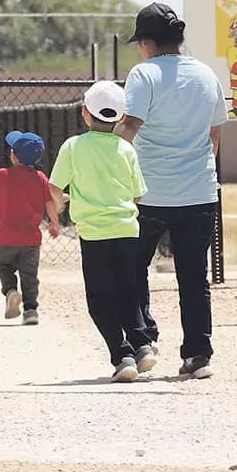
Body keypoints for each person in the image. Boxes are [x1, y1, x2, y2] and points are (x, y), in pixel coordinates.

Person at [115, 2, 228, 380]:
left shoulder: (143, 74)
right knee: (194, 276)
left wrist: (111, 168)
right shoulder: (206, 74)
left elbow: (130, 125)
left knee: (133, 269)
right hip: (199, 191)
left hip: (149, 191)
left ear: (146, 43)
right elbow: (214, 135)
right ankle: (198, 355)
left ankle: (143, 339)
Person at [49, 81, 158, 382]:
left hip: (94, 234)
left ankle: (121, 355)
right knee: (128, 291)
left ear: (85, 112)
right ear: (121, 118)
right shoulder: (126, 148)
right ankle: (143, 344)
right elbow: (137, 193)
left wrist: (61, 205)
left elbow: (55, 187)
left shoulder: (73, 146)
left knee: (100, 298)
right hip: (126, 229)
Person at [0, 131, 59, 326]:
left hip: (5, 238)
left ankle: (11, 291)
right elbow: (49, 202)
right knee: (29, 275)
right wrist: (54, 223)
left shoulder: (3, 175)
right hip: (31, 239)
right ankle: (31, 310)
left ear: (13, 155)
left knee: (4, 269)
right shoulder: (40, 178)